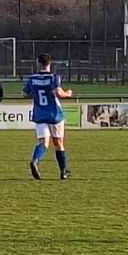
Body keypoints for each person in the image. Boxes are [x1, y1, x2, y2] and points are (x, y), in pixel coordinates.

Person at [23, 52, 73, 180]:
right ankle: (63, 171)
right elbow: (58, 92)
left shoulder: (32, 78)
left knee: (43, 142)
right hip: (54, 114)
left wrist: (35, 93)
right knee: (58, 143)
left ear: (38, 63)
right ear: (49, 64)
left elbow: (25, 94)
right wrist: (68, 93)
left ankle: (35, 160)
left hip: (39, 113)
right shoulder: (53, 78)